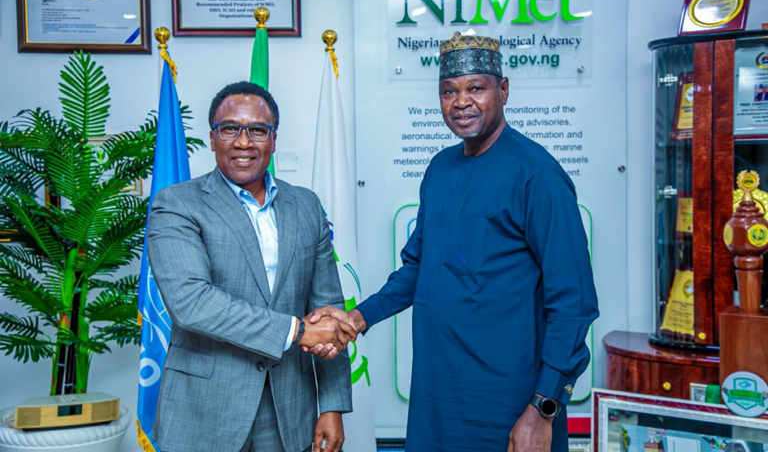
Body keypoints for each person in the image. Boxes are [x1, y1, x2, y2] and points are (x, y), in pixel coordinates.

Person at [309, 33, 599, 451]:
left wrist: (543, 409)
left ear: (503, 90)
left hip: (509, 403)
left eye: (476, 88)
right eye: (449, 91)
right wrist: (357, 318)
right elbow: (418, 269)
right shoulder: (440, 168)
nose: (461, 102)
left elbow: (574, 303)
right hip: (437, 396)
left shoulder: (538, 175)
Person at [147, 81, 355, 452]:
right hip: (204, 412)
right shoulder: (177, 204)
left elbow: (328, 309)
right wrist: (296, 331)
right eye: (230, 129)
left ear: (273, 140)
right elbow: (192, 303)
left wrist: (333, 405)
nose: (244, 142)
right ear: (213, 138)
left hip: (290, 412)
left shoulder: (306, 206)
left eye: (258, 130)